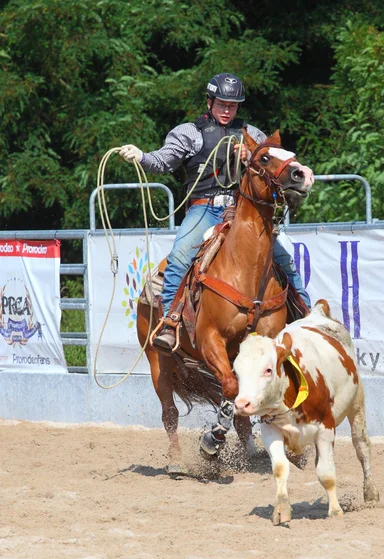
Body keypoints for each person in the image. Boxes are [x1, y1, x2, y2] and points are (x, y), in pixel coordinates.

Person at [120, 72, 311, 352]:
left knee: (283, 258)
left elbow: (270, 163)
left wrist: (250, 157)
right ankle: (171, 322)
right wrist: (142, 157)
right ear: (209, 102)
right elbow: (164, 160)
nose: (226, 110)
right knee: (181, 253)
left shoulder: (252, 135)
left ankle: (306, 319)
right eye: (221, 104)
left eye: (232, 106)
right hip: (204, 208)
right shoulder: (189, 132)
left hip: (242, 209)